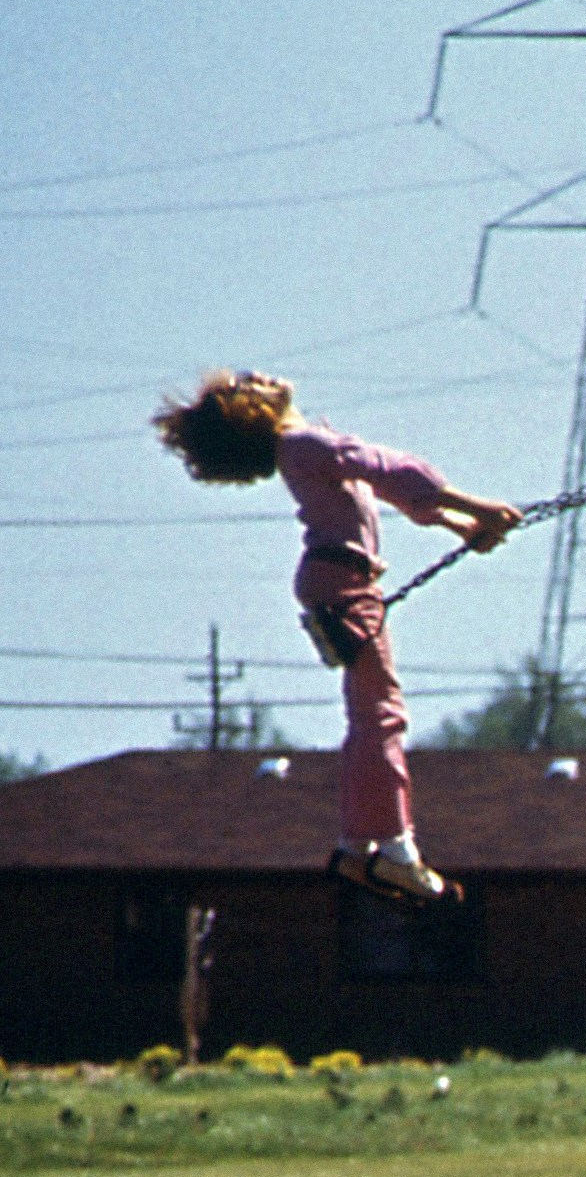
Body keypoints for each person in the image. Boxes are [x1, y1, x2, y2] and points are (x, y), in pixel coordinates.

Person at [153, 370, 519, 904]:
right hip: (343, 581)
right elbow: (391, 468)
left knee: (371, 715)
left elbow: (385, 487)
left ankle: (358, 844)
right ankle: (396, 849)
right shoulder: (301, 445)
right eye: (246, 382)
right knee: (382, 716)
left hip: (336, 578)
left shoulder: (302, 450)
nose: (259, 375)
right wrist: (476, 508)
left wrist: (456, 527)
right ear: (250, 409)